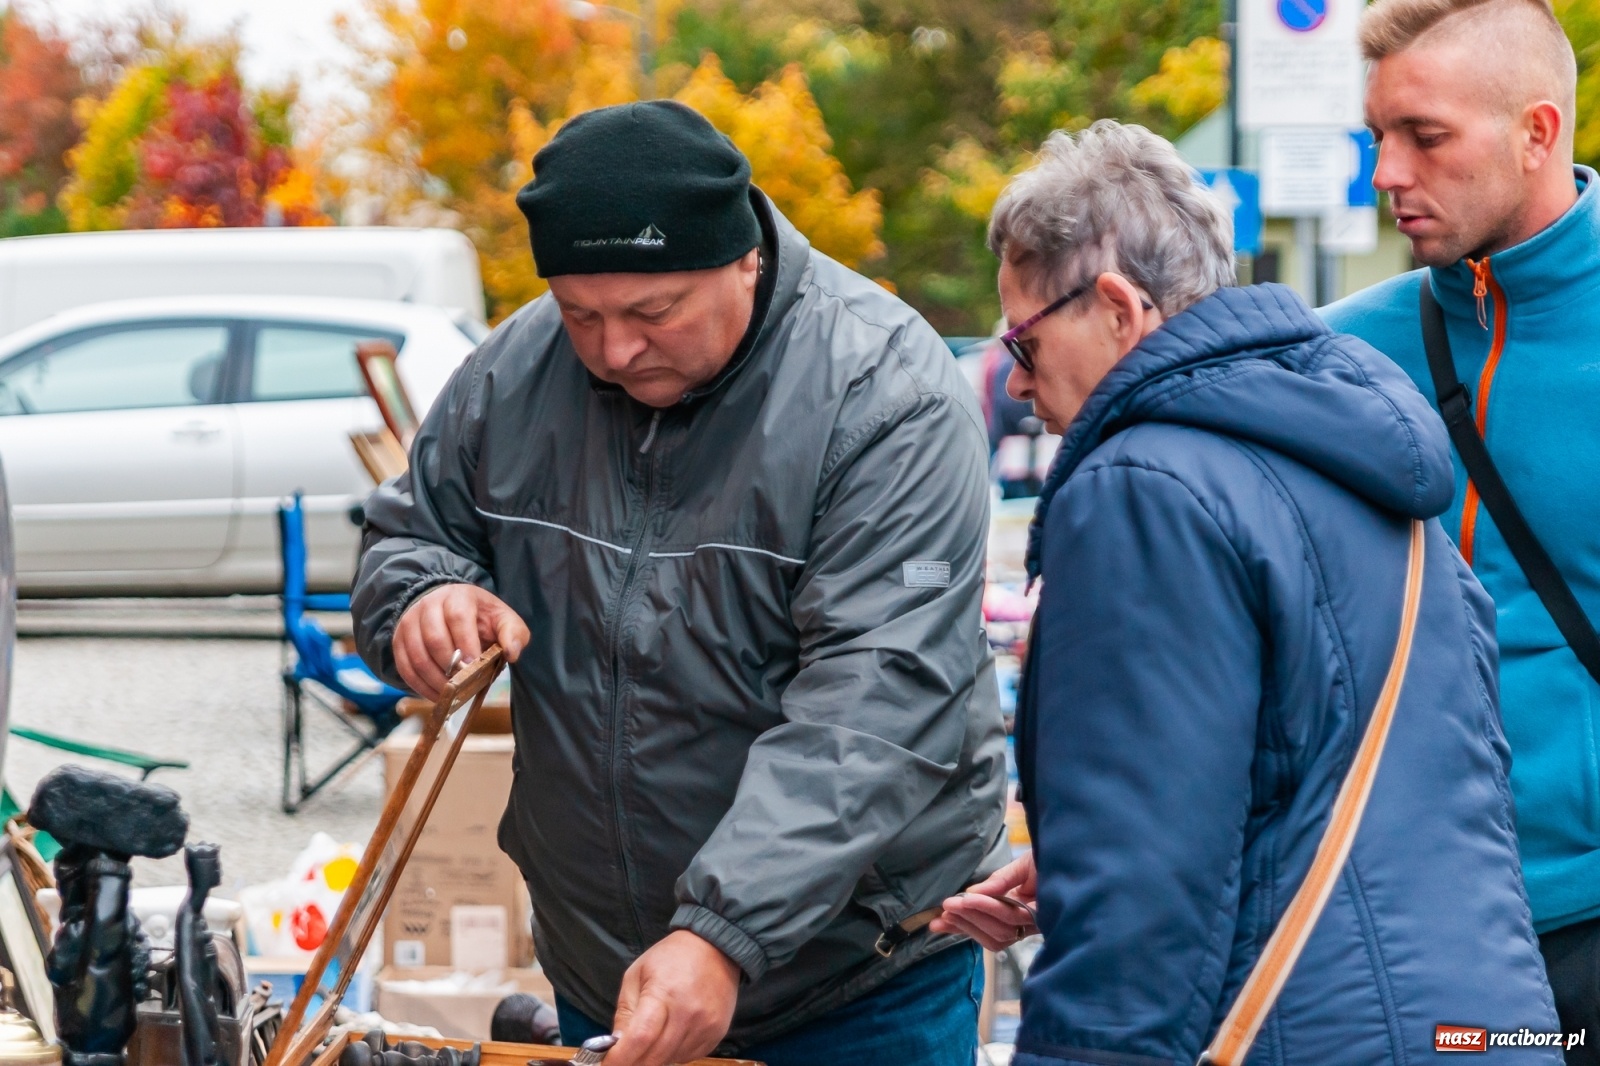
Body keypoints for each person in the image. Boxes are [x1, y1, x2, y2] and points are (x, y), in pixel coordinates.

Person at [351, 100, 1008, 1066]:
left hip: (854, 986)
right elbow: (409, 534)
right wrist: (422, 600)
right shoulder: (512, 374)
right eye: (582, 314)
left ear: (744, 257)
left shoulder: (885, 392)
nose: (614, 350)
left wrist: (722, 930)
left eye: (653, 312)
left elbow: (880, 694)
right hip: (607, 977)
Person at [935, 119, 1559, 1063]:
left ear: (1117, 307)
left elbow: (1142, 890)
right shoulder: (1351, 447)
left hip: (1304, 1026)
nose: (1016, 382)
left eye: (1022, 340)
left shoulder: (1142, 483)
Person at [1320, 0, 1600, 1049]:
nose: (1387, 173)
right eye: (1376, 137)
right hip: (1424, 930)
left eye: (1424, 138)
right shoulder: (1333, 358)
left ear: (1536, 132)